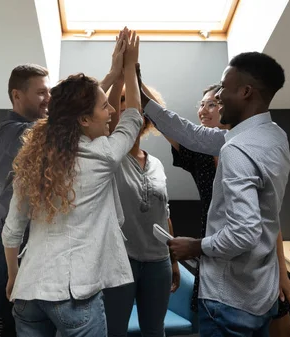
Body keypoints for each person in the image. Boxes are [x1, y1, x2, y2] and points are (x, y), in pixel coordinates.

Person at [139, 51, 290, 337]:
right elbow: (191, 135)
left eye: (223, 88)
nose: (218, 96)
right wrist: (141, 92)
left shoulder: (236, 151)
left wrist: (194, 247)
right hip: (260, 293)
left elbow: (244, 233)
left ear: (246, 92)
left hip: (230, 299)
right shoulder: (273, 135)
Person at [1, 28, 143, 337]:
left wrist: (14, 276)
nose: (110, 112)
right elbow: (133, 117)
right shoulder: (102, 155)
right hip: (71, 297)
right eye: (105, 106)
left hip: (28, 294)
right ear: (83, 119)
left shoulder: (34, 161)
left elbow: (12, 231)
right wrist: (130, 69)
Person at [103, 82, 180, 337]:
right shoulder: (109, 157)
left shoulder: (156, 163)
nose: (131, 109)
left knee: (154, 331)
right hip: (121, 260)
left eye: (136, 106)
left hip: (159, 262)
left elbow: (164, 212)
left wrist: (174, 259)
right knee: (114, 331)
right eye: (124, 103)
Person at [0, 63, 50, 337]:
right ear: (17, 95)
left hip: (33, 240)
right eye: (41, 93)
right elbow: (50, 131)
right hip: (13, 243)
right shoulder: (9, 130)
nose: (47, 99)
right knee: (14, 322)